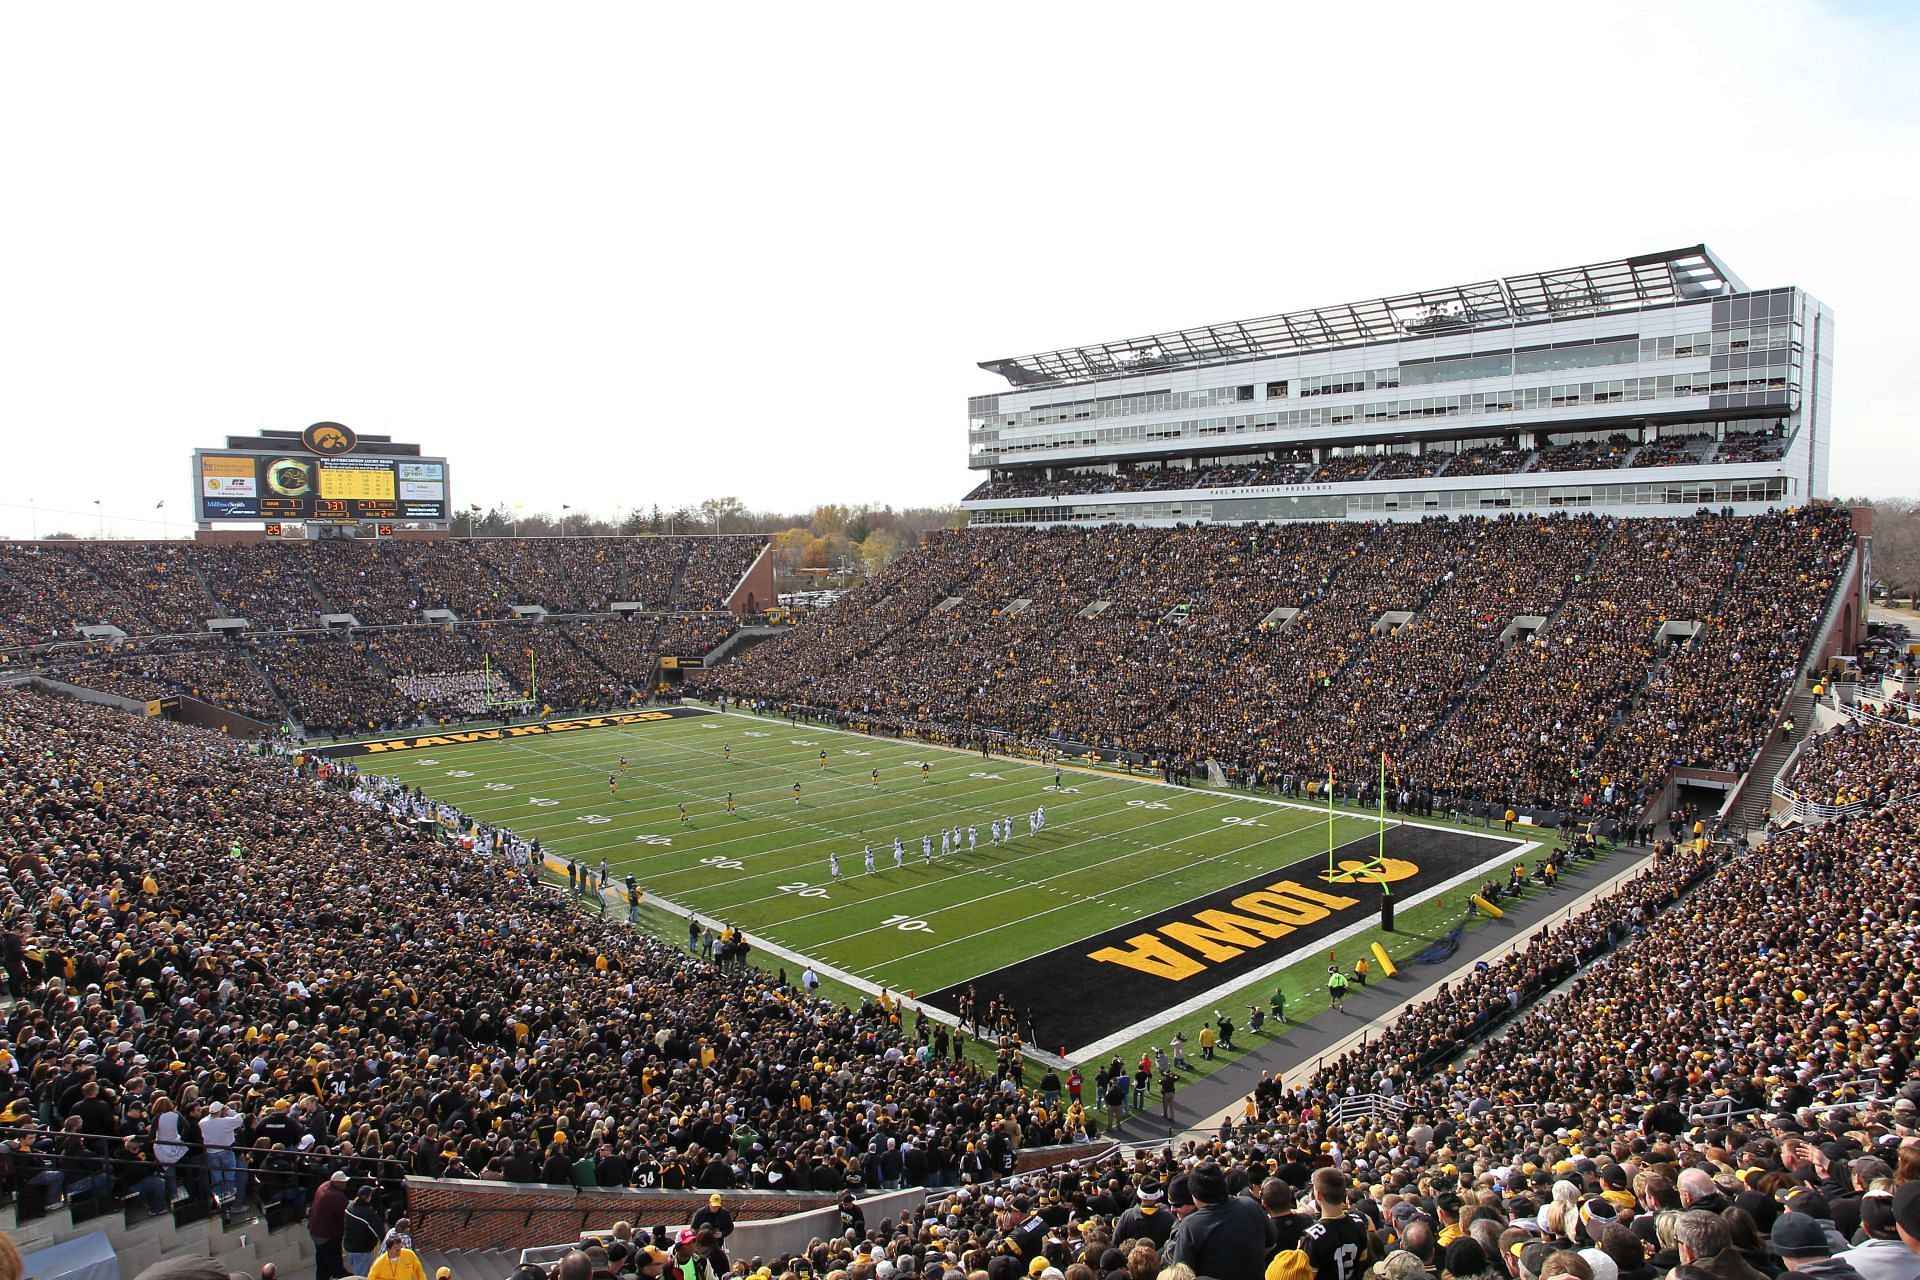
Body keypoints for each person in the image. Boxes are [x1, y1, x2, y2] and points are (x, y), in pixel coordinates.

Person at [1164, 1161, 1270, 1280]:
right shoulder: (1250, 1205)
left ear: (1195, 1195)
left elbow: (1180, 1275)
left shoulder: (1189, 1226)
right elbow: (1271, 1242)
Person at [1301, 1168, 1374, 1280]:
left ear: (1318, 1195)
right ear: (1345, 1194)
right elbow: (1362, 1262)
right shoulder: (1359, 1223)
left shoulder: (1311, 1237)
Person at [308, 1170, 352, 1280]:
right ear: (336, 1182)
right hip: (328, 1235)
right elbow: (347, 1214)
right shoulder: (336, 1196)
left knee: (322, 1260)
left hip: (315, 1231)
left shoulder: (324, 1186)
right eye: (343, 1182)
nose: (345, 1184)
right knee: (335, 1265)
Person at [344, 1184, 386, 1278]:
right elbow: (379, 1231)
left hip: (349, 1246)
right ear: (368, 1197)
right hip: (362, 1250)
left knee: (357, 1269)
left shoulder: (350, 1206)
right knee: (362, 1276)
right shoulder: (367, 1213)